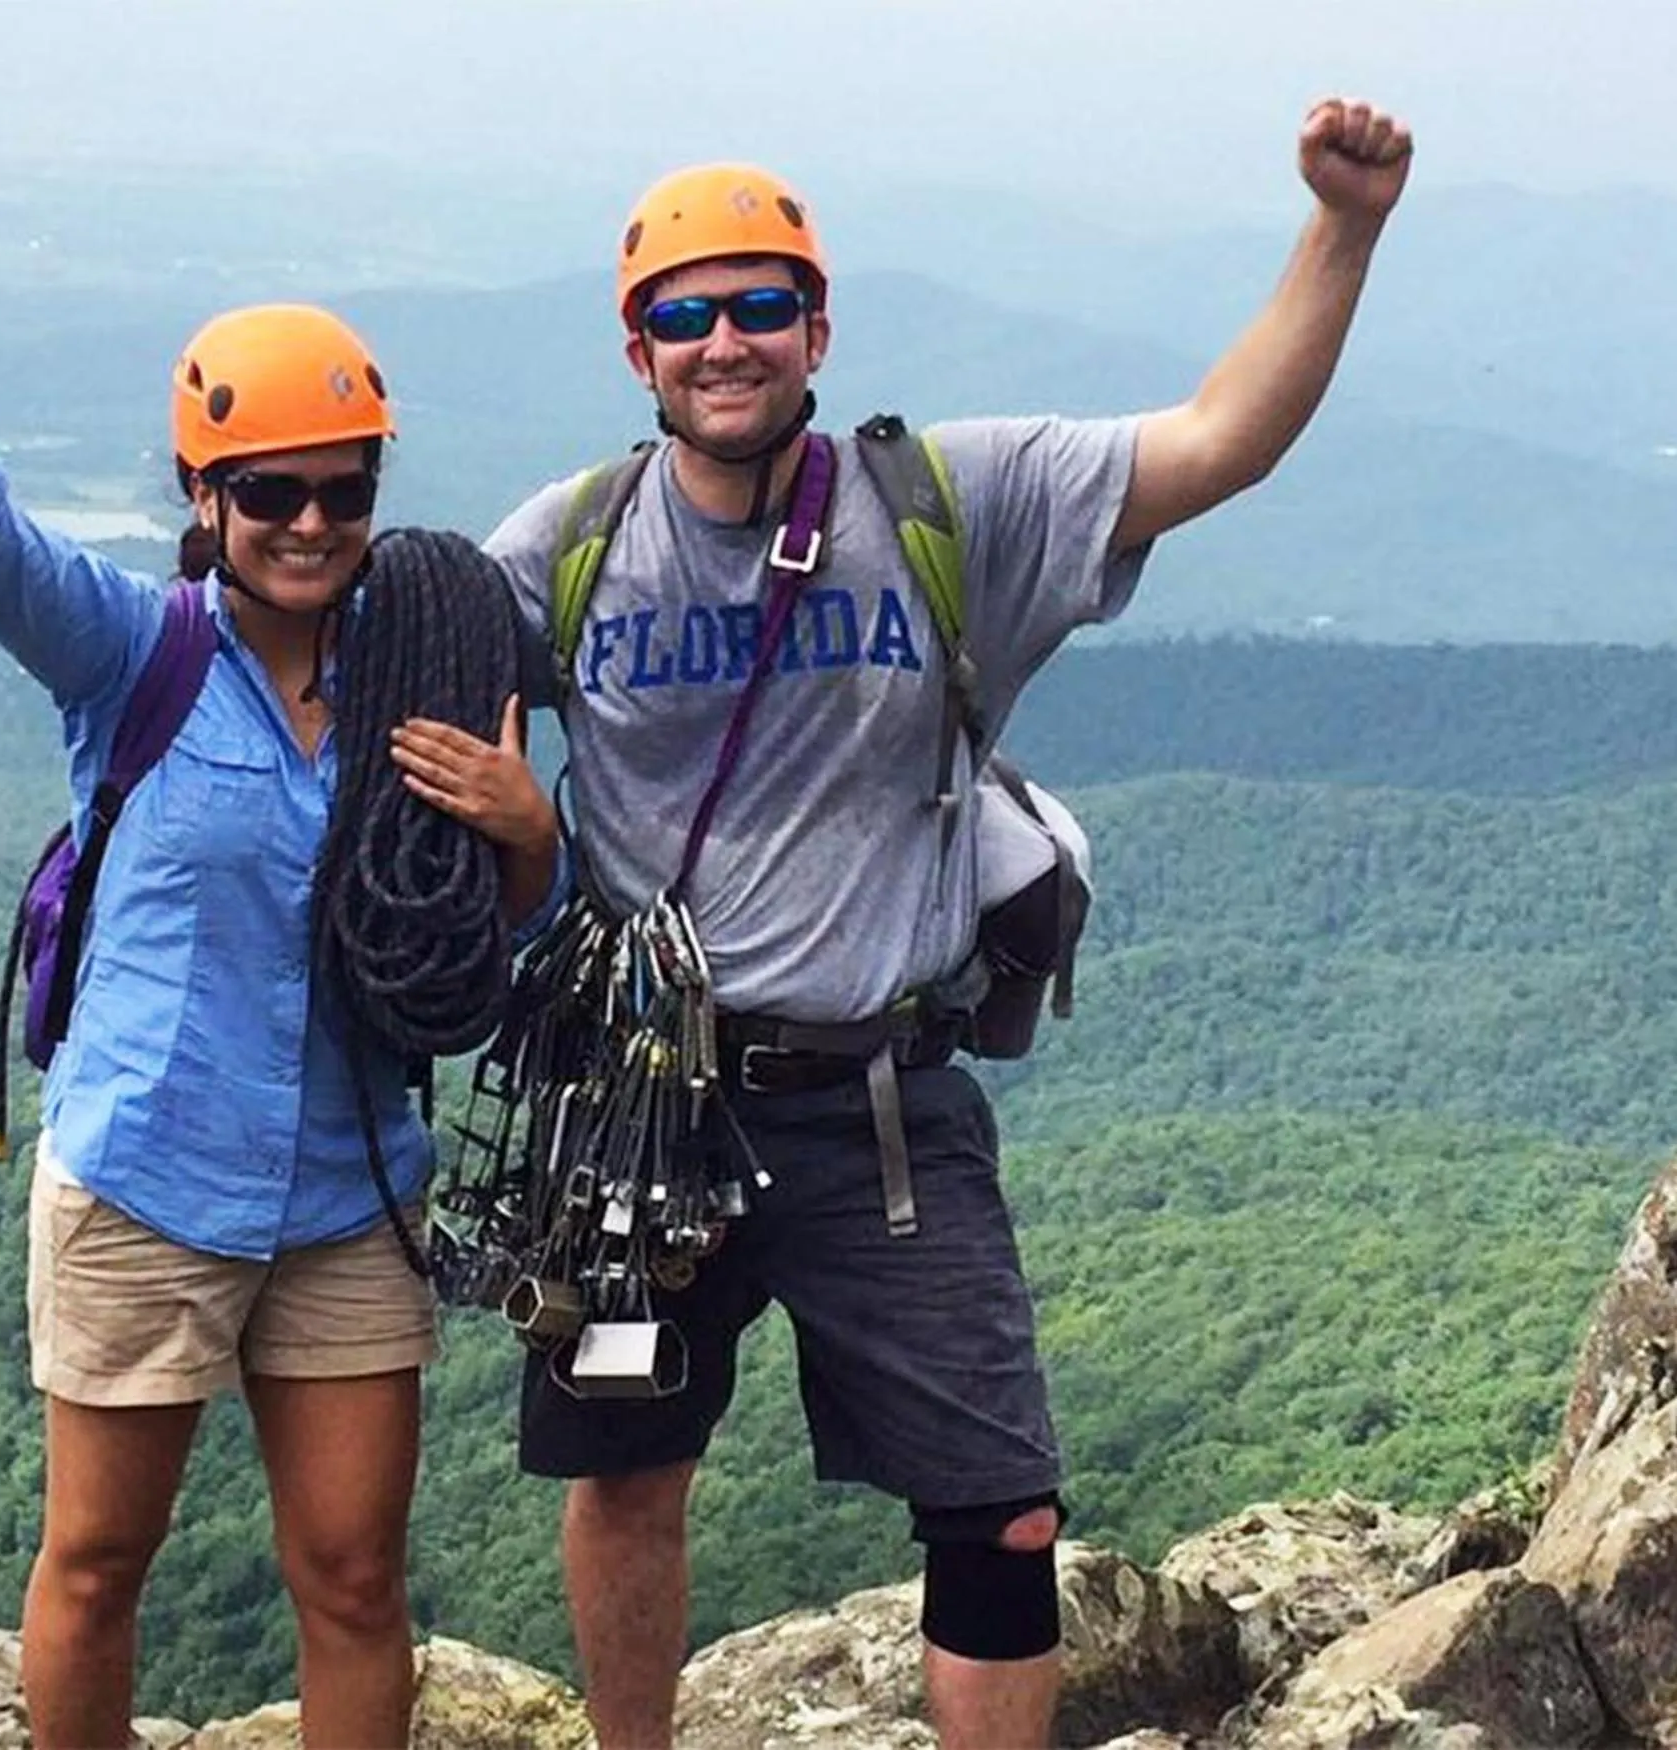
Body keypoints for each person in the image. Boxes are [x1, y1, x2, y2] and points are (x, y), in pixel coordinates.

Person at [480, 99, 1415, 1749]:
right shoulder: (568, 550)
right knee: (625, 1476)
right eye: (686, 314)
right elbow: (373, 687)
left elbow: (1219, 441)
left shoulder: (945, 501)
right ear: (639, 352)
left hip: (882, 1103)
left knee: (1001, 1511)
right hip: (640, 1113)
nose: (724, 341)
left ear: (817, 329)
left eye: (760, 304)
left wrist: (1344, 227)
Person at [0, 150, 558, 1750]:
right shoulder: (138, 652)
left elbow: (487, 936)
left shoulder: (426, 665)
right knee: (98, 1561)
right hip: (147, 1172)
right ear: (206, 497)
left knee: (355, 1576)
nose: (310, 523)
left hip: (349, 1182)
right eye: (270, 491)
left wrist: (528, 832)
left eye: (342, 491)